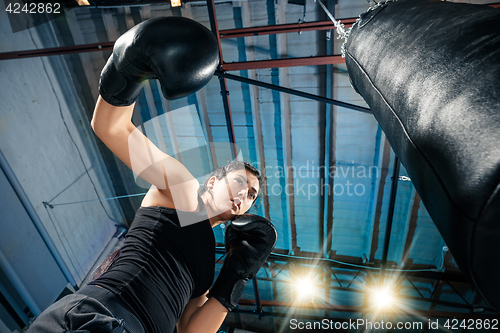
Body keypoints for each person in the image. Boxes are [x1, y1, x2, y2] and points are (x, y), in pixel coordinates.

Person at [26, 16, 276, 333]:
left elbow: (191, 331)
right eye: (240, 181)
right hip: (102, 315)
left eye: (252, 194)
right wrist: (127, 68)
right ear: (212, 180)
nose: (245, 194)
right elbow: (111, 127)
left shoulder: (206, 264)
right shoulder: (182, 188)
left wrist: (234, 276)